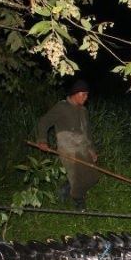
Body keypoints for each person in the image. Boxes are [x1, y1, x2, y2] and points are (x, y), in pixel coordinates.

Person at [36, 79, 99, 211]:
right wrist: (42, 140)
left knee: (92, 177)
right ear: (75, 93)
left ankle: (65, 188)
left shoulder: (83, 111)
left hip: (83, 148)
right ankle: (79, 202)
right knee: (78, 178)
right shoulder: (62, 107)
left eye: (87, 95)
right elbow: (44, 122)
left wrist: (91, 150)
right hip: (68, 149)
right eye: (83, 94)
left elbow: (87, 132)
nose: (86, 97)